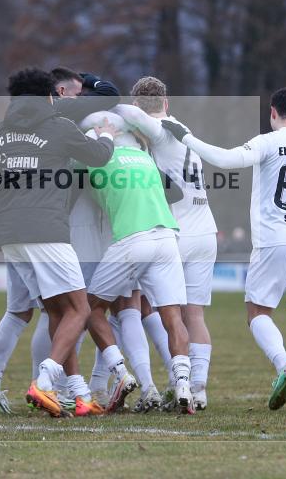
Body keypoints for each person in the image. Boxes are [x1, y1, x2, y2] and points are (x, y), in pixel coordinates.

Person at [162, 87, 286, 412]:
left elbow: (226, 159)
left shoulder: (268, 142)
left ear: (272, 112)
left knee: (257, 313)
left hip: (275, 241)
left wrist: (186, 137)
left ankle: (283, 364)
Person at [0, 67, 119, 415]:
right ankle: (45, 382)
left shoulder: (3, 131)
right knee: (81, 308)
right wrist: (107, 136)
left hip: (9, 235)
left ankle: (79, 393)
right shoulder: (58, 125)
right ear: (50, 95)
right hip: (46, 231)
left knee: (56, 309)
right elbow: (98, 156)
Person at [115, 75, 218, 412]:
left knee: (135, 308)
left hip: (176, 233)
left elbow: (142, 120)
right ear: (167, 102)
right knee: (194, 315)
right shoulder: (184, 130)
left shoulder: (158, 130)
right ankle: (197, 390)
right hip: (205, 230)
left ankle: (157, 384)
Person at [80, 111, 193, 413]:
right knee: (173, 317)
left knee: (88, 309)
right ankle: (182, 383)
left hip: (132, 240)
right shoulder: (146, 159)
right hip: (168, 237)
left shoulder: (94, 157)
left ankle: (120, 372)